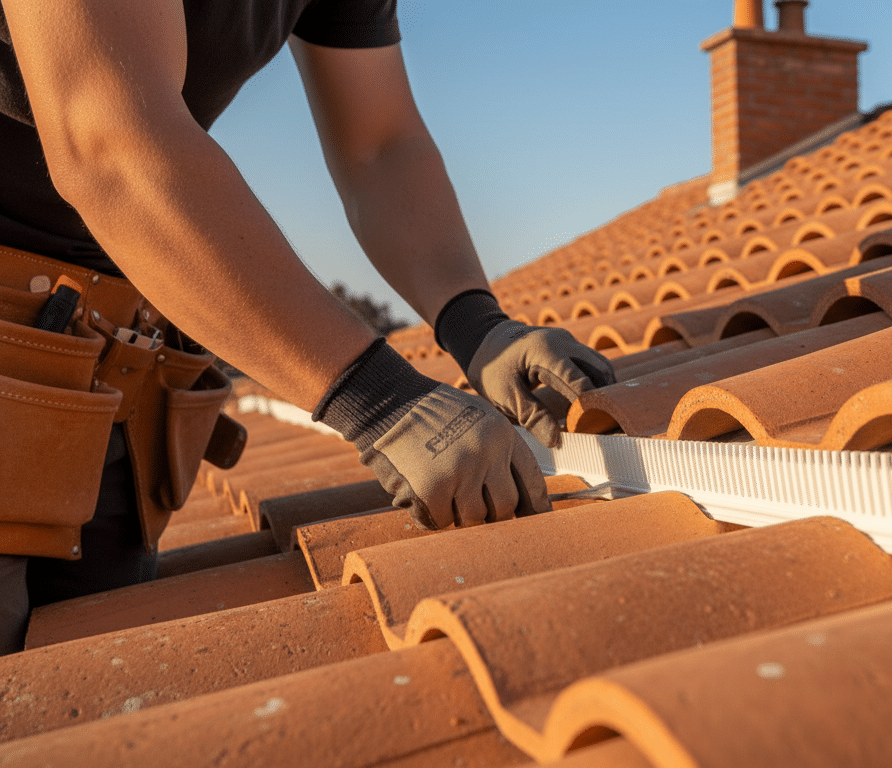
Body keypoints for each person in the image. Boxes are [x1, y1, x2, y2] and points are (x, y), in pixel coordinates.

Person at [0, 0, 614, 654]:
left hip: (111, 362)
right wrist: (380, 400)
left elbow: (382, 147)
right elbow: (110, 141)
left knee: (91, 675)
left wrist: (475, 324)